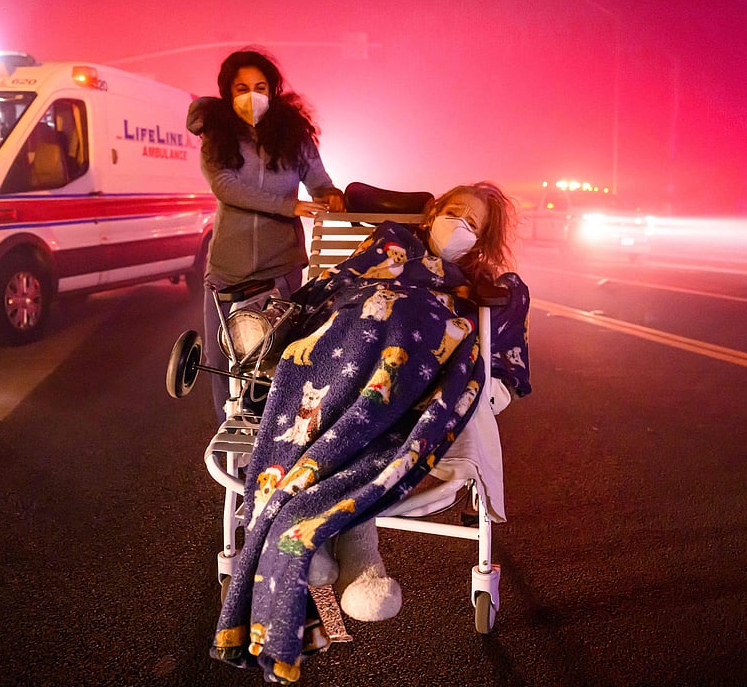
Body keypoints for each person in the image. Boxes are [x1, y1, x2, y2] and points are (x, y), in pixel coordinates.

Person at [210, 181, 531, 684]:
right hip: (345, 343)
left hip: (413, 358)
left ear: (482, 238)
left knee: (407, 326)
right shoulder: (390, 241)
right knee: (354, 331)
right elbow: (337, 285)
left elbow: (497, 347)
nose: (460, 227)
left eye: (473, 224)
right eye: (455, 213)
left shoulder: (478, 284)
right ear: (432, 214)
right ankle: (336, 545)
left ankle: (314, 537)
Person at [186, 49, 345, 424]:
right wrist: (289, 206)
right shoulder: (217, 135)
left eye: (260, 87)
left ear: (272, 90)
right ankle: (228, 435)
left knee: (275, 359)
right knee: (220, 359)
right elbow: (225, 187)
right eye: (241, 88)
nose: (252, 95)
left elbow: (320, 182)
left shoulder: (292, 135)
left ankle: (275, 437)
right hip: (226, 270)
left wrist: (332, 195)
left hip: (280, 268)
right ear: (227, 92)